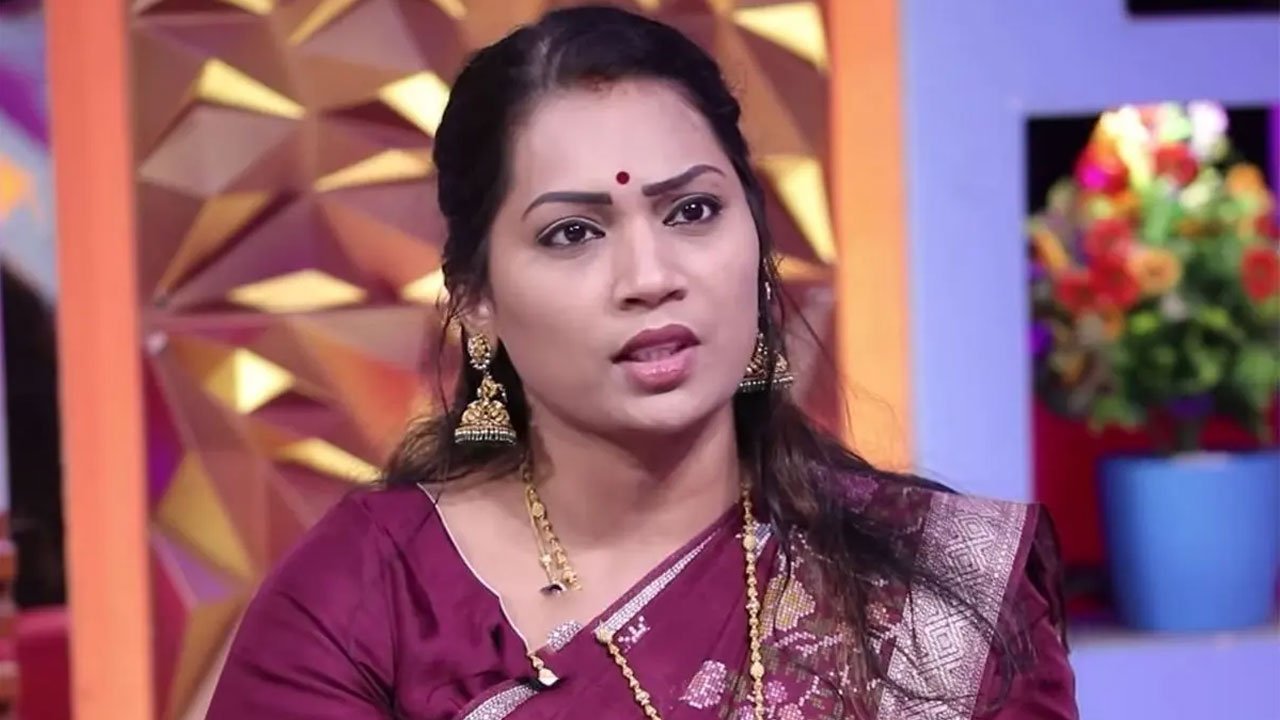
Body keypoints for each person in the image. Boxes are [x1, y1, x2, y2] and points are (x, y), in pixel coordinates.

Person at [207, 6, 1077, 719]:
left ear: (758, 245)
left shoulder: (933, 598)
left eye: (692, 211)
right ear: (476, 299)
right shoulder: (365, 605)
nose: (651, 277)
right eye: (572, 233)